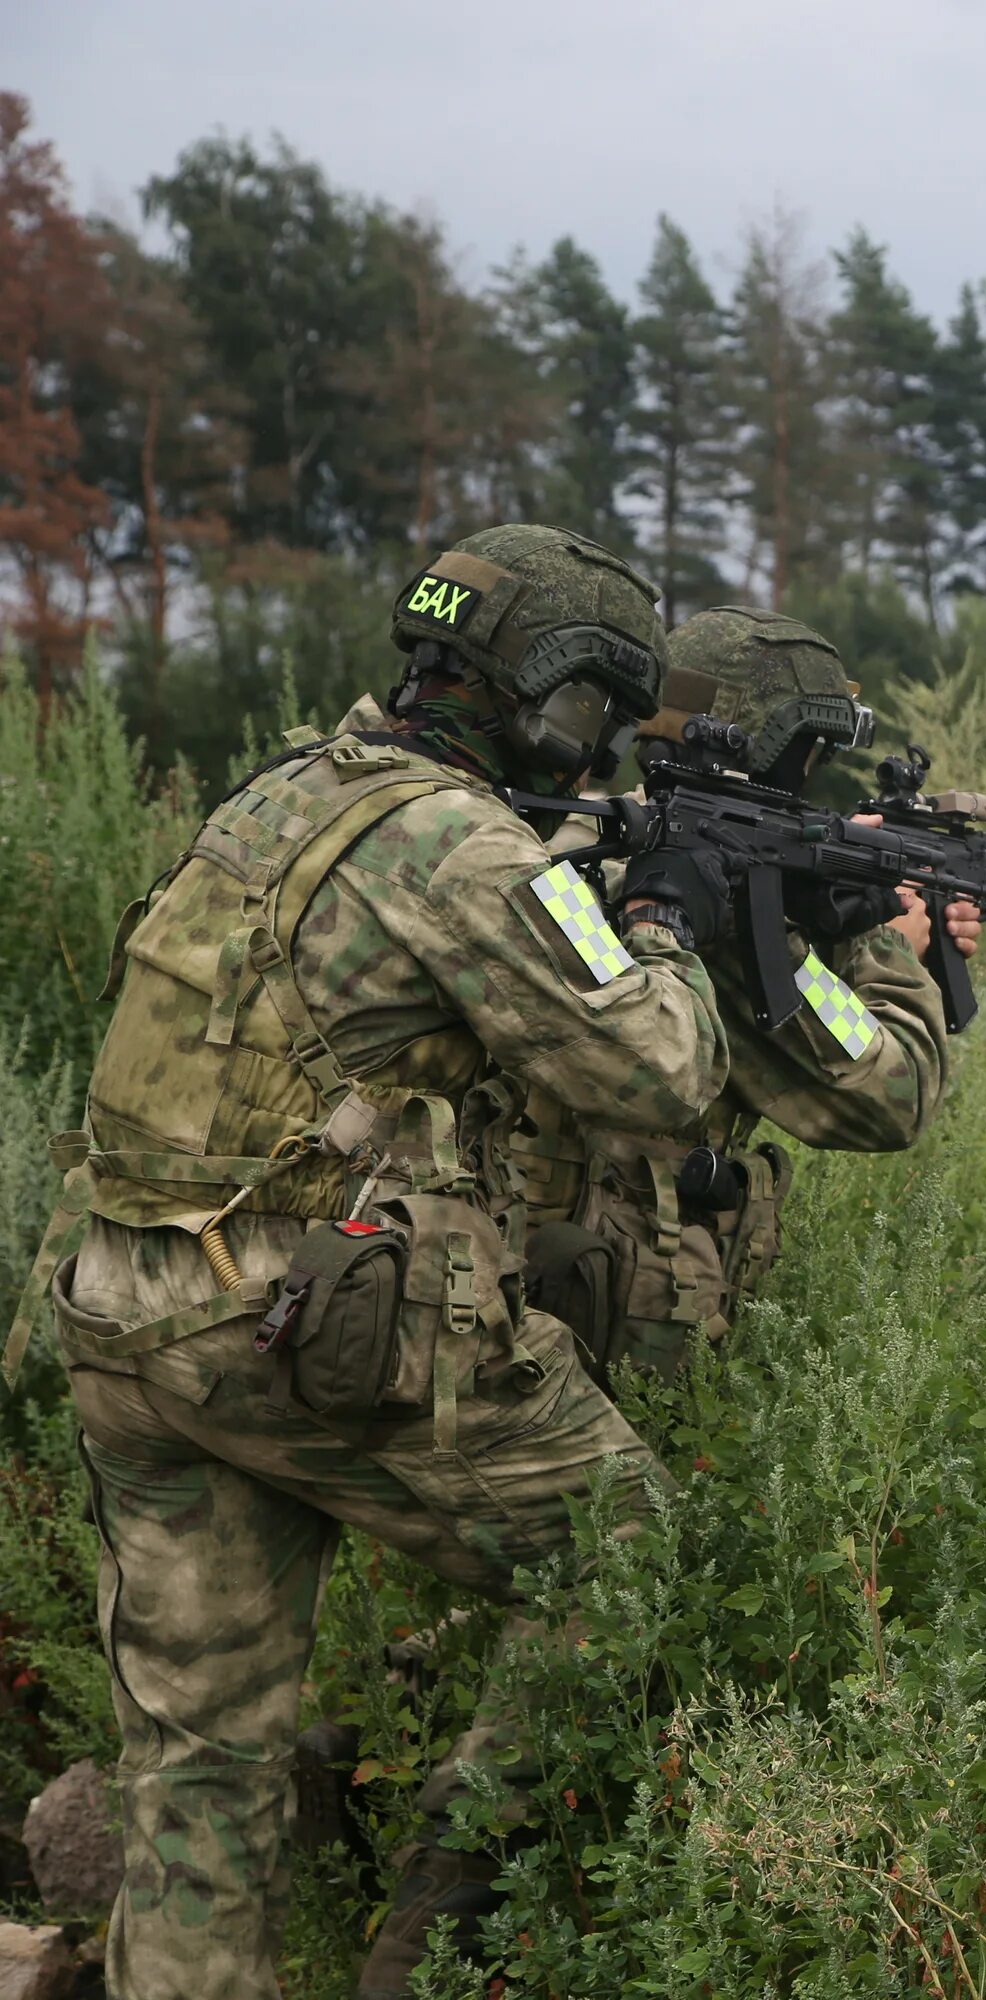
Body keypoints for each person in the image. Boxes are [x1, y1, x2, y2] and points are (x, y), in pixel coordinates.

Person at [1, 524, 735, 2000]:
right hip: (303, 1332)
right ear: (558, 696)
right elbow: (654, 1074)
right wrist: (665, 926)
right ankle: (441, 1938)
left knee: (199, 1762)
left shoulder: (280, 794)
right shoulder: (459, 843)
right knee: (634, 1551)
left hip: (130, 1319)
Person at [506, 606, 979, 1384]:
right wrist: (889, 943)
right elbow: (898, 1093)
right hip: (608, 1326)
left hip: (511, 1280)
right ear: (783, 750)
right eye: (815, 755)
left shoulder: (562, 848)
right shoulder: (721, 919)